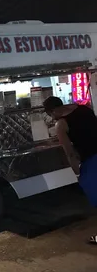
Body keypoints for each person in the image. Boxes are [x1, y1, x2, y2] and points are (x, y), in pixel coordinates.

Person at [43, 96, 97, 243]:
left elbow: (70, 153)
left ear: (54, 111)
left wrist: (78, 174)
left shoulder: (61, 125)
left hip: (92, 161)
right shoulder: (85, 108)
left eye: (50, 115)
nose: (51, 118)